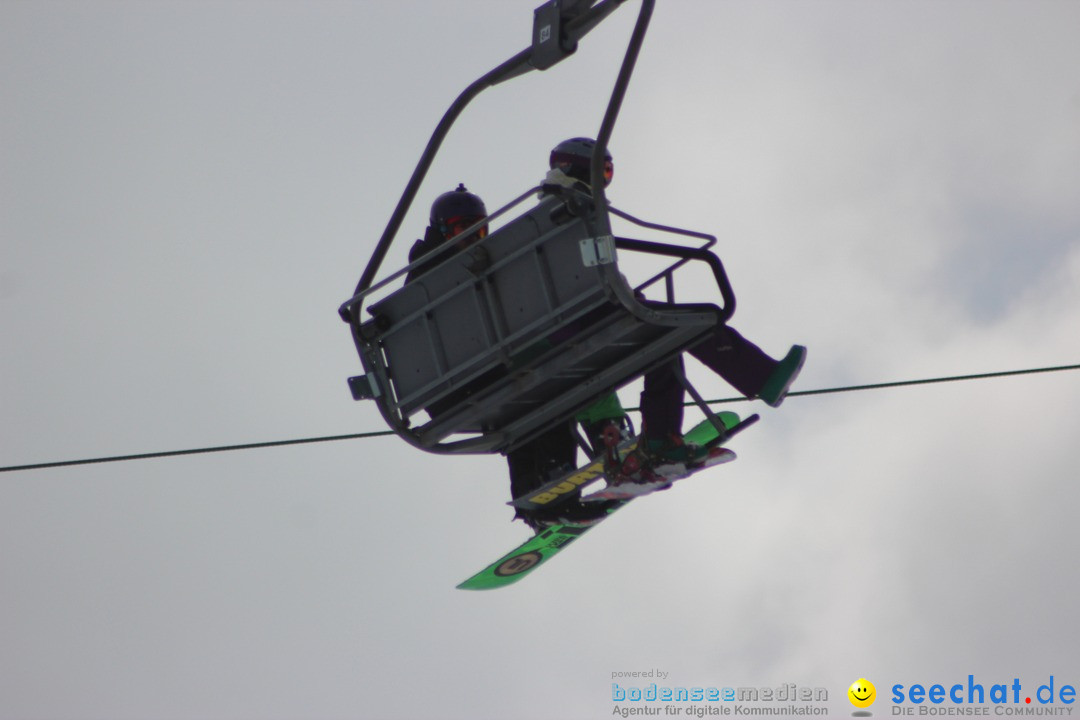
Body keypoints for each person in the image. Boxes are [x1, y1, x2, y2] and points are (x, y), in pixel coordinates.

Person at [541, 137, 806, 478]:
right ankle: (756, 380)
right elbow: (591, 274)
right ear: (577, 167)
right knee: (679, 323)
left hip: (569, 320)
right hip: (584, 319)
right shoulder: (569, 211)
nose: (603, 181)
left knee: (665, 336)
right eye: (601, 171)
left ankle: (661, 438)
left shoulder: (544, 216)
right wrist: (626, 296)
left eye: (606, 173)